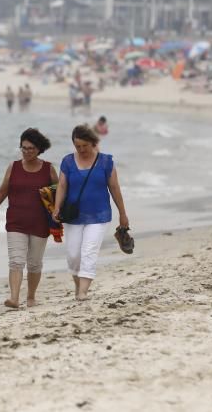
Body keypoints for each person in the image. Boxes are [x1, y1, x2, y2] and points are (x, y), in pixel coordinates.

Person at [52, 124, 129, 301]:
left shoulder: (106, 161)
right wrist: (56, 207)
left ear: (93, 143)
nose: (81, 149)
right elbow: (62, 185)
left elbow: (115, 188)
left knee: (89, 251)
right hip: (73, 216)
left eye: (84, 146)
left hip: (98, 215)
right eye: (77, 146)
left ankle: (83, 292)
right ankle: (79, 286)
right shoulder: (68, 161)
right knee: (73, 255)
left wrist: (122, 213)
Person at [0, 128, 59, 309]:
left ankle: (30, 296)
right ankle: (14, 298)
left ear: (39, 149)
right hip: (16, 222)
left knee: (35, 264)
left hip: (40, 223)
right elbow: (1, 191)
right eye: (24, 148)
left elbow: (59, 194)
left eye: (31, 148)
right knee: (15, 260)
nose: (27, 151)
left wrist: (60, 215)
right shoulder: (13, 167)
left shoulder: (48, 169)